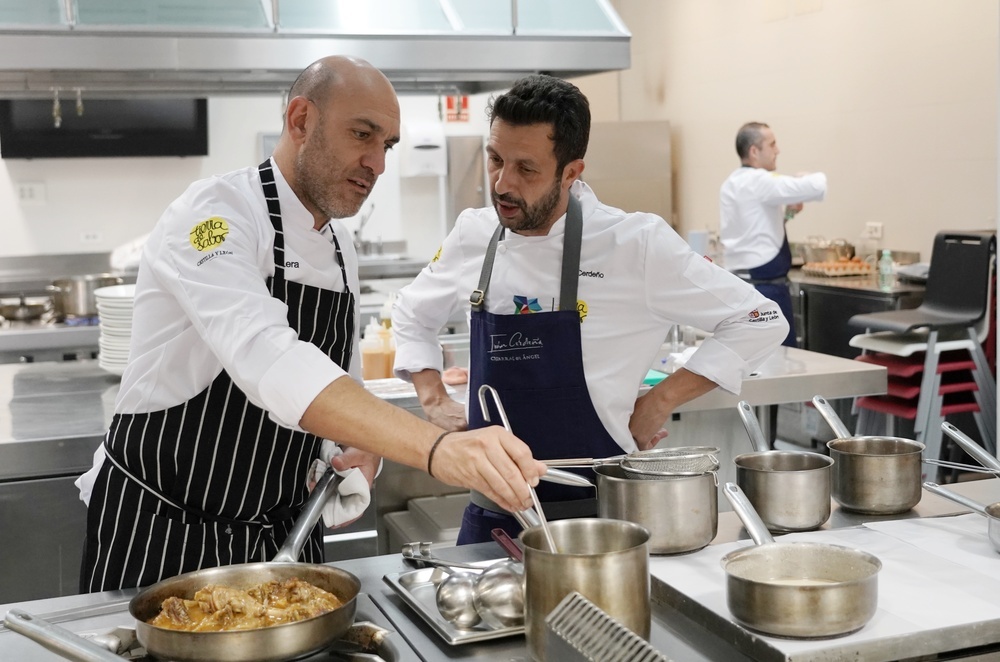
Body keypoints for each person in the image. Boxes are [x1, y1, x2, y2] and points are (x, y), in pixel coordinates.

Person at [77, 56, 546, 592]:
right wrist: (436, 449)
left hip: (282, 538)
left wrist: (354, 444)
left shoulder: (340, 244)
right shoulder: (213, 217)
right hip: (166, 533)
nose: (377, 163)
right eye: (362, 135)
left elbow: (334, 380)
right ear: (301, 121)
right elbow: (268, 357)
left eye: (387, 145)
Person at [391, 75, 789, 544]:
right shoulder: (474, 234)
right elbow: (412, 314)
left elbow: (760, 319)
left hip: (602, 517)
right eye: (495, 160)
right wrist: (433, 397)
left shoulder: (634, 243)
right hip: (493, 517)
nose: (503, 183)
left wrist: (659, 402)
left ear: (571, 172)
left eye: (526, 168)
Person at [719, 122, 827, 347]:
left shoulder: (732, 183)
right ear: (754, 151)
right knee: (779, 358)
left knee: (752, 356)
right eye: (772, 144)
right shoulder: (760, 181)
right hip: (765, 290)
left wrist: (786, 216)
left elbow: (756, 230)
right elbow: (815, 187)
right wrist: (804, 177)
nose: (777, 150)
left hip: (741, 284)